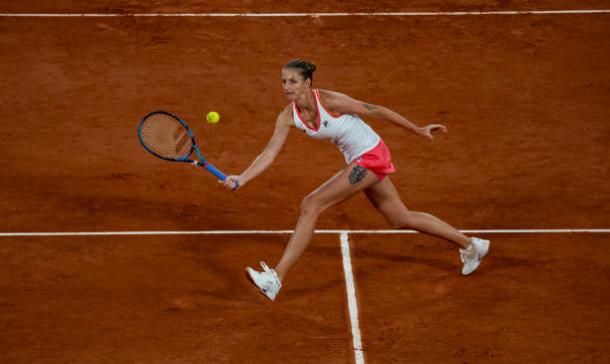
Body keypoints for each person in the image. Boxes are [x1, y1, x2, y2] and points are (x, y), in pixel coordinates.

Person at [221, 59, 490, 301]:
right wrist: (243, 177)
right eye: (283, 81)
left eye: (293, 81)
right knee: (401, 219)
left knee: (311, 204)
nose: (287, 87)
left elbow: (375, 110)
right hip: (360, 159)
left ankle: (275, 278)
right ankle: (471, 246)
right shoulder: (287, 116)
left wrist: (417, 129)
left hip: (371, 155)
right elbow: (269, 152)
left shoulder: (329, 100)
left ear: (307, 82)